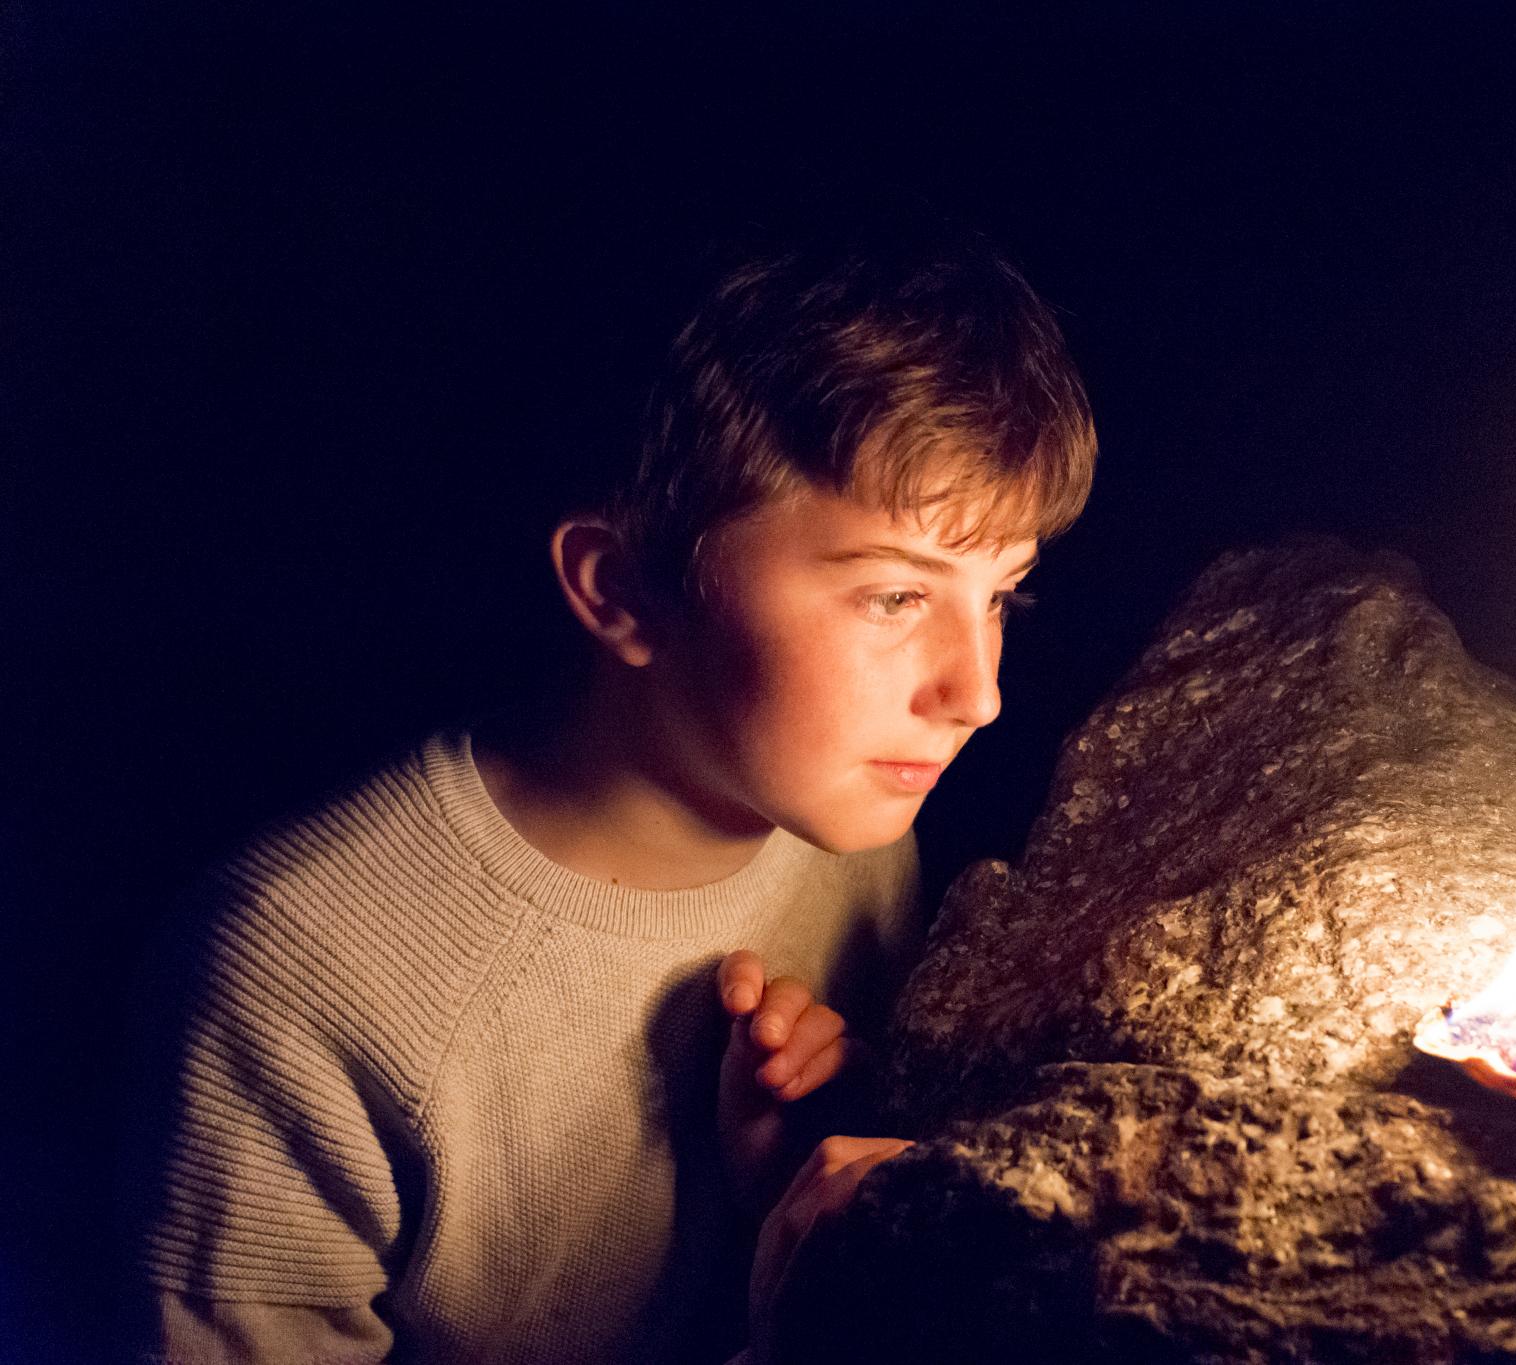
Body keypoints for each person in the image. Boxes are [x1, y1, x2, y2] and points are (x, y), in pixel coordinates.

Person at [119, 216, 1097, 1364]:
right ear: (621, 589)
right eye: (893, 598)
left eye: (1002, 595)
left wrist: (777, 1215)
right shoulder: (292, 989)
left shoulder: (860, 835)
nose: (975, 691)